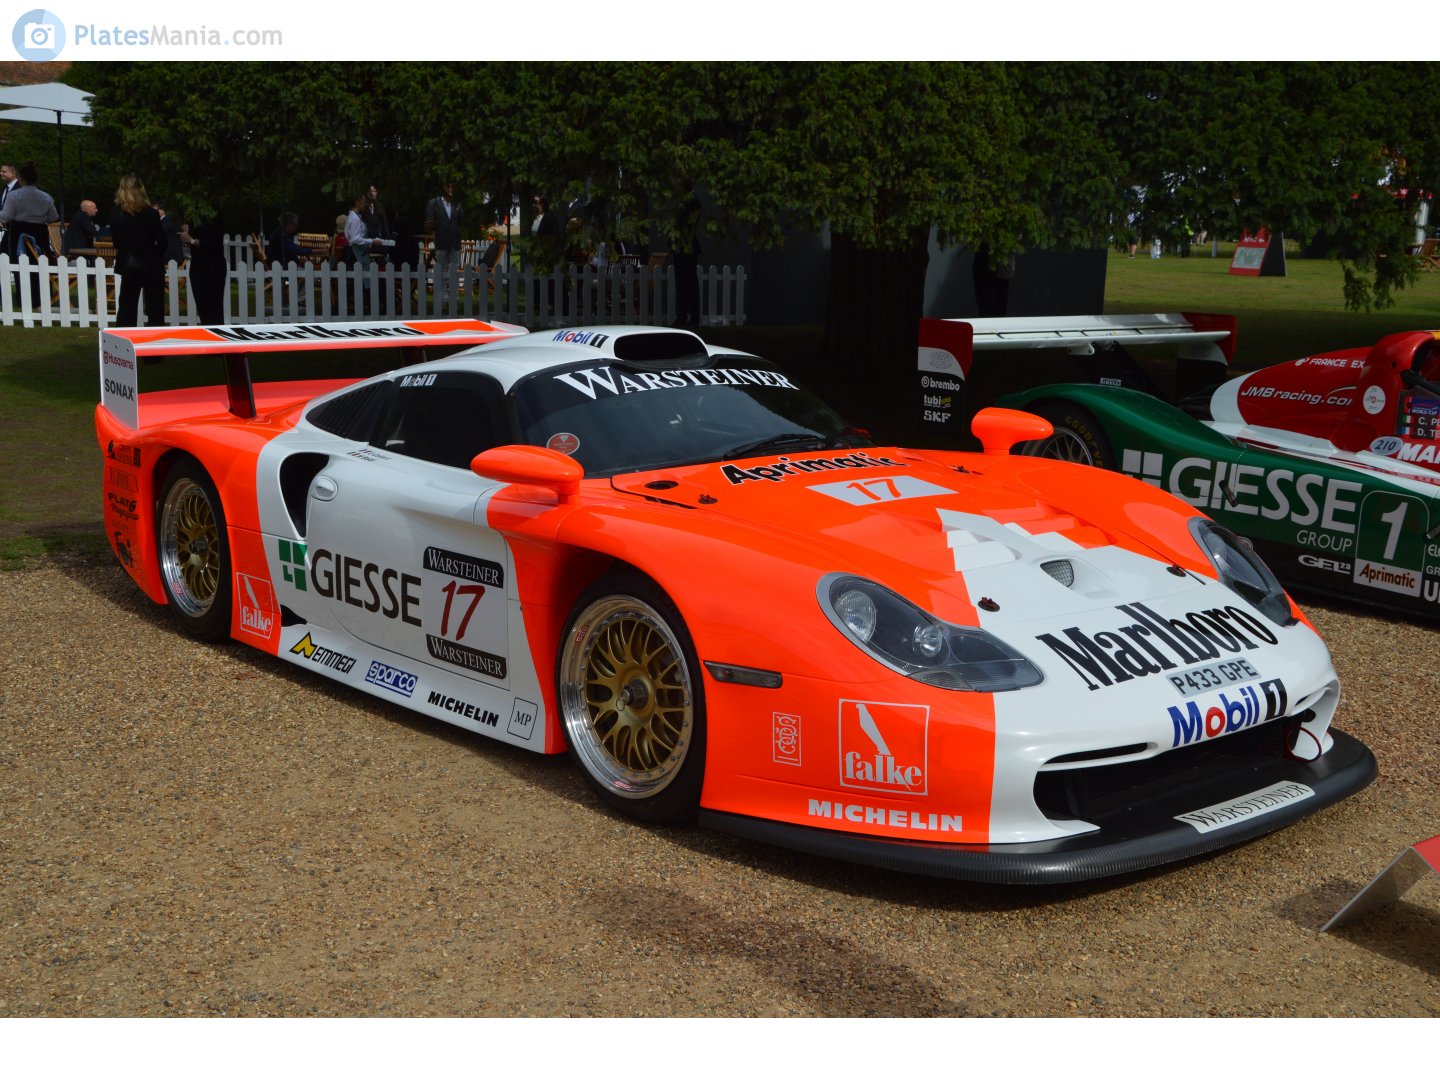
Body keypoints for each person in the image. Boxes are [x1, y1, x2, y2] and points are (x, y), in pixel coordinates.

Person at [110, 174, 168, 327]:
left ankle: (124, 343)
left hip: (128, 262)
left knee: (127, 306)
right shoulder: (151, 213)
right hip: (151, 262)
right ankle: (155, 345)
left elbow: (116, 242)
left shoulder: (116, 213)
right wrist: (156, 253)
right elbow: (162, 241)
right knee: (155, 307)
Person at [0, 163, 60, 307]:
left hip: (18, 230)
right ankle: (41, 299)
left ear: (21, 178)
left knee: (19, 266)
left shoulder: (14, 195)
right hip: (39, 231)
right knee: (40, 264)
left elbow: (6, 215)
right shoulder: (46, 196)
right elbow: (53, 217)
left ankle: (24, 300)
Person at [184, 213, 227, 325]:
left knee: (213, 306)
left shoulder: (214, 218)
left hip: (212, 267)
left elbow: (214, 243)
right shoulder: (195, 218)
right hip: (198, 265)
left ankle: (214, 331)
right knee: (203, 306)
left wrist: (192, 240)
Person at [424, 180, 463, 306]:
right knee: (440, 270)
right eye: (449, 187)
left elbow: (461, 221)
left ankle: (453, 297)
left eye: (453, 187)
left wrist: (460, 209)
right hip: (441, 241)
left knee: (454, 270)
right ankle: (441, 297)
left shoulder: (456, 203)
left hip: (455, 241)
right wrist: (431, 225)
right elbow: (430, 222)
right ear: (444, 188)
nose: (451, 190)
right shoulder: (434, 203)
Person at [154, 200, 184, 265]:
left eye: (156, 210)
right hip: (169, 254)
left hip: (172, 254)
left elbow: (161, 233)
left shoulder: (167, 220)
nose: (153, 212)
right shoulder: (165, 220)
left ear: (162, 210)